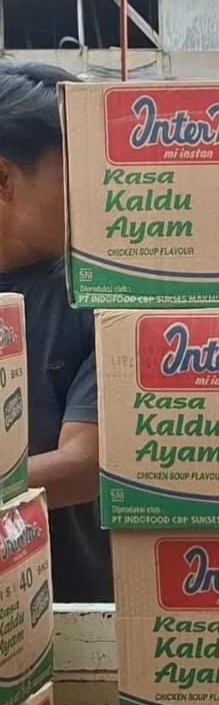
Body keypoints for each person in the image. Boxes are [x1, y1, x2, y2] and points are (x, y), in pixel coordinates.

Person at [0, 64, 109, 604]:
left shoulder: (98, 295)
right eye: (73, 174)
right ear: (4, 179)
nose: (99, 194)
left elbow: (84, 467)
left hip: (72, 612)